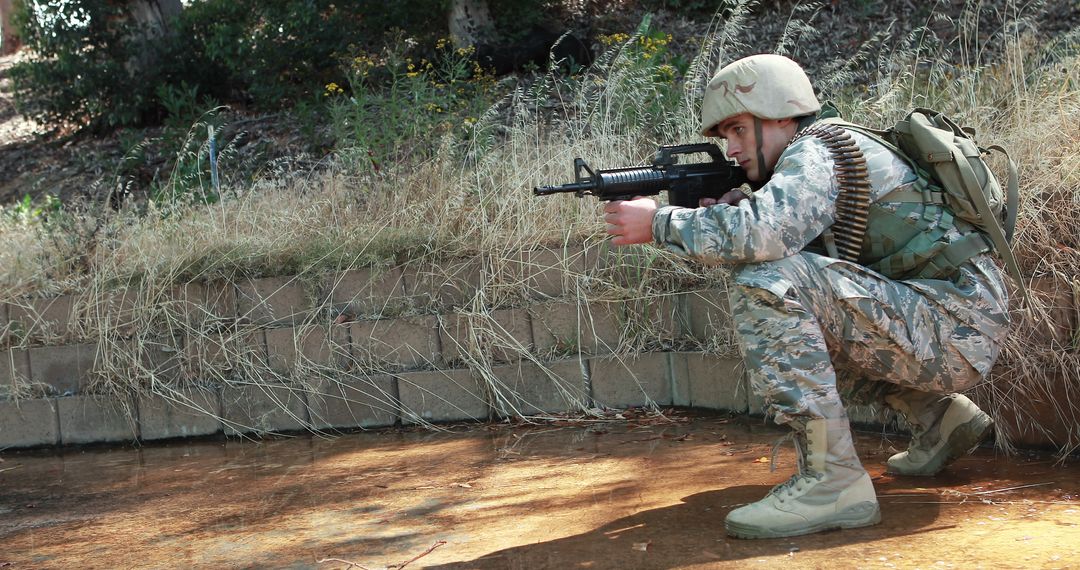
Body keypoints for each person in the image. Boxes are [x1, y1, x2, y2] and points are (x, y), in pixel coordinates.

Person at [602, 53, 1009, 539]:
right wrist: (735, 207)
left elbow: (762, 237)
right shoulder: (833, 146)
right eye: (723, 136)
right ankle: (940, 419)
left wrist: (660, 223)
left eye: (736, 129)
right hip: (953, 324)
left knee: (770, 284)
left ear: (775, 113)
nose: (730, 148)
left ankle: (832, 484)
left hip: (953, 328)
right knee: (801, 305)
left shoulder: (815, 150)